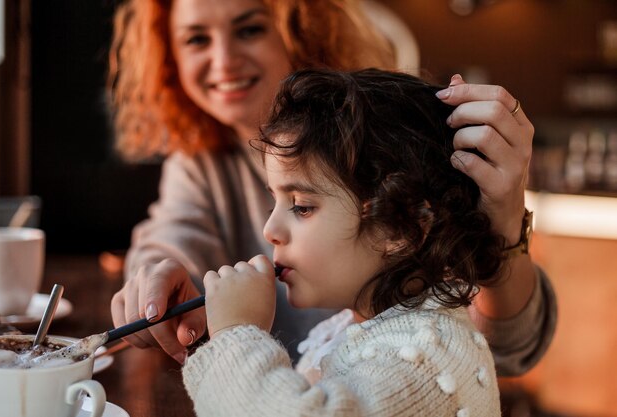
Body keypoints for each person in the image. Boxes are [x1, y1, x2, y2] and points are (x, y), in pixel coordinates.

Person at [109, 0, 556, 372]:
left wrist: (503, 222)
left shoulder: (382, 146)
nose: (223, 60)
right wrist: (155, 277)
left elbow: (511, 350)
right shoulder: (200, 160)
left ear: (301, 29)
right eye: (197, 39)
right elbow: (171, 238)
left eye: (249, 30)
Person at [182, 67, 504, 416]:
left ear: (400, 227)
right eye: (273, 201)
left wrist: (237, 335)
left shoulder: (427, 361)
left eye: (302, 207)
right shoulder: (353, 325)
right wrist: (214, 336)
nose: (270, 230)